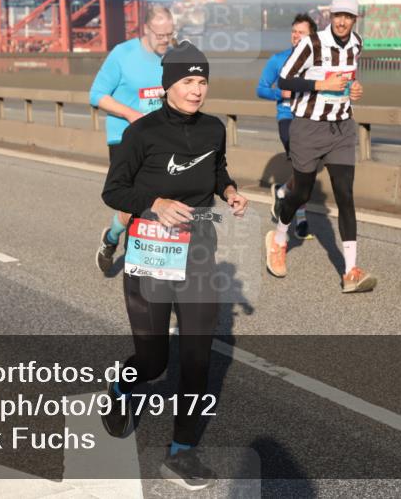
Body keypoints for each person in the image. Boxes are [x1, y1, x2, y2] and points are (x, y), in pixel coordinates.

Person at [100, 42, 248, 490]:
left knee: (197, 359)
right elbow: (114, 191)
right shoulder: (140, 134)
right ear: (168, 85)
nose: (197, 90)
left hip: (199, 250)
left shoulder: (213, 129)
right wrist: (156, 201)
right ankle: (124, 388)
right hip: (150, 252)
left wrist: (230, 191)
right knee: (153, 361)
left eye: (202, 81)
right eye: (188, 81)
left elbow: (217, 169)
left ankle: (181, 451)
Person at [264, 0, 375, 293]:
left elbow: (349, 77)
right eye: (338, 15)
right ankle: (279, 238)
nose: (342, 21)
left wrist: (354, 89)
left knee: (345, 194)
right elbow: (285, 79)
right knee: (301, 193)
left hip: (341, 128)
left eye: (348, 16)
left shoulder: (357, 44)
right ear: (330, 16)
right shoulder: (311, 44)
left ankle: (350, 270)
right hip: (308, 128)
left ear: (355, 19)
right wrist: (319, 85)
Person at [90, 5, 176, 275]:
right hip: (125, 139)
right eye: (161, 35)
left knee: (159, 201)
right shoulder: (123, 54)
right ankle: (115, 240)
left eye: (170, 34)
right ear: (147, 30)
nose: (165, 40)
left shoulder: (173, 57)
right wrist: (130, 114)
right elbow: (97, 95)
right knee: (137, 201)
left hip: (161, 141)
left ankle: (140, 253)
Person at [257, 14, 317, 240]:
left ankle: (282, 191)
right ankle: (301, 221)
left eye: (301, 32)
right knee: (302, 170)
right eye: (294, 32)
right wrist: (279, 93)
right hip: (287, 119)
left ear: (312, 36)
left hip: (311, 119)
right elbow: (261, 88)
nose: (295, 36)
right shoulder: (278, 60)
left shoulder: (318, 63)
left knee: (305, 172)